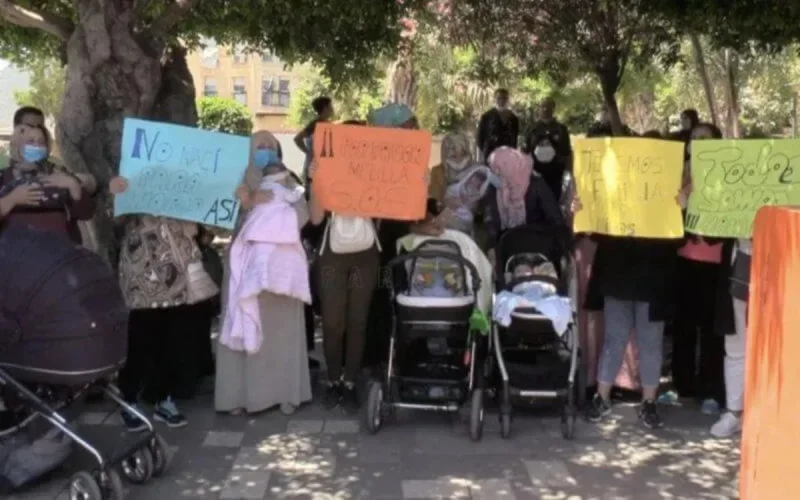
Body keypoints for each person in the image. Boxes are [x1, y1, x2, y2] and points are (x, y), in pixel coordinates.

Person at [109, 177, 220, 430]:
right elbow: (114, 221)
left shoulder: (187, 178)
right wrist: (116, 194)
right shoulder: (133, 173)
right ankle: (129, 400)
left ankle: (163, 398)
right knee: (140, 337)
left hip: (179, 270)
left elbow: (209, 228)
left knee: (175, 338)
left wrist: (200, 227)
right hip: (142, 271)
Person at [215, 130, 312, 415]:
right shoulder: (234, 183)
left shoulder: (289, 180)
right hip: (243, 267)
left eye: (271, 145)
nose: (266, 149)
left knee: (281, 334)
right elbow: (217, 219)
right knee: (239, 327)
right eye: (260, 145)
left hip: (283, 269)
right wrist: (247, 203)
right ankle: (237, 398)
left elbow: (304, 216)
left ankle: (285, 394)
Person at [580, 186, 688, 429]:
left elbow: (679, 238)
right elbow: (596, 233)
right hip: (619, 275)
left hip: (651, 277)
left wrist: (680, 209)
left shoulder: (665, 191)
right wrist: (585, 211)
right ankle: (603, 396)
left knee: (648, 342)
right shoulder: (615, 183)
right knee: (615, 339)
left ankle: (647, 401)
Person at [668, 123, 726, 415]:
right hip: (683, 261)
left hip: (715, 264)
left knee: (712, 331)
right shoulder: (677, 172)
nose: (699, 143)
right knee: (684, 328)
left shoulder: (727, 174)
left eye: (706, 138)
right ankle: (683, 386)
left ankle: (711, 391)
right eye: (695, 138)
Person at [0, 124, 95, 243]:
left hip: (62, 253)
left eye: (41, 142)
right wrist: (12, 199)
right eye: (30, 141)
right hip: (15, 255)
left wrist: (74, 185)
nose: (37, 146)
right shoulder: (3, 177)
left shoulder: (59, 173)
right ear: (17, 145)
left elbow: (86, 214)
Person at [483, 146, 565, 265]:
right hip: (507, 244)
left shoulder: (536, 184)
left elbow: (555, 219)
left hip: (537, 242)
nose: (496, 173)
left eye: (501, 169)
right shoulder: (495, 186)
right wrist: (491, 247)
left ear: (513, 167)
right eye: (494, 169)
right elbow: (491, 219)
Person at [524, 97, 572, 202]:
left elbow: (567, 151)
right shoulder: (532, 128)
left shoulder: (561, 129)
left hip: (555, 174)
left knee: (554, 203)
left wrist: (568, 172)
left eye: (548, 106)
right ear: (539, 109)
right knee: (536, 204)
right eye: (543, 106)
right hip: (536, 173)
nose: (545, 109)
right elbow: (525, 151)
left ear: (553, 109)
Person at [294, 96, 334, 185]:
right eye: (330, 106)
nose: (332, 109)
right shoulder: (316, 124)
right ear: (325, 108)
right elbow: (297, 139)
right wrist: (308, 152)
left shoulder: (329, 125)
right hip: (314, 167)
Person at [476, 89, 519, 162]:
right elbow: (480, 138)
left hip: (508, 155)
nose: (502, 101)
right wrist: (486, 152)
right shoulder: (487, 117)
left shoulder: (513, 118)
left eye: (504, 98)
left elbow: (515, 137)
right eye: (499, 98)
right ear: (495, 99)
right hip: (491, 154)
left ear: (508, 99)